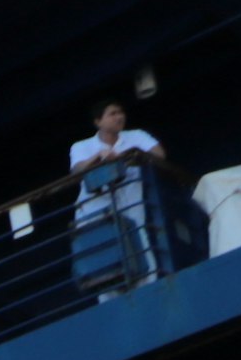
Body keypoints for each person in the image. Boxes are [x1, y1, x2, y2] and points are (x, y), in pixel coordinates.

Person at [70, 99, 172, 294]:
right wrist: (99, 157)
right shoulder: (81, 146)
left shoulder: (136, 136)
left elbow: (159, 154)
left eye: (121, 112)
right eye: (113, 113)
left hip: (133, 211)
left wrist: (123, 156)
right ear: (98, 121)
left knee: (143, 259)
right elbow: (77, 171)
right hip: (96, 216)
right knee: (103, 265)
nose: (120, 116)